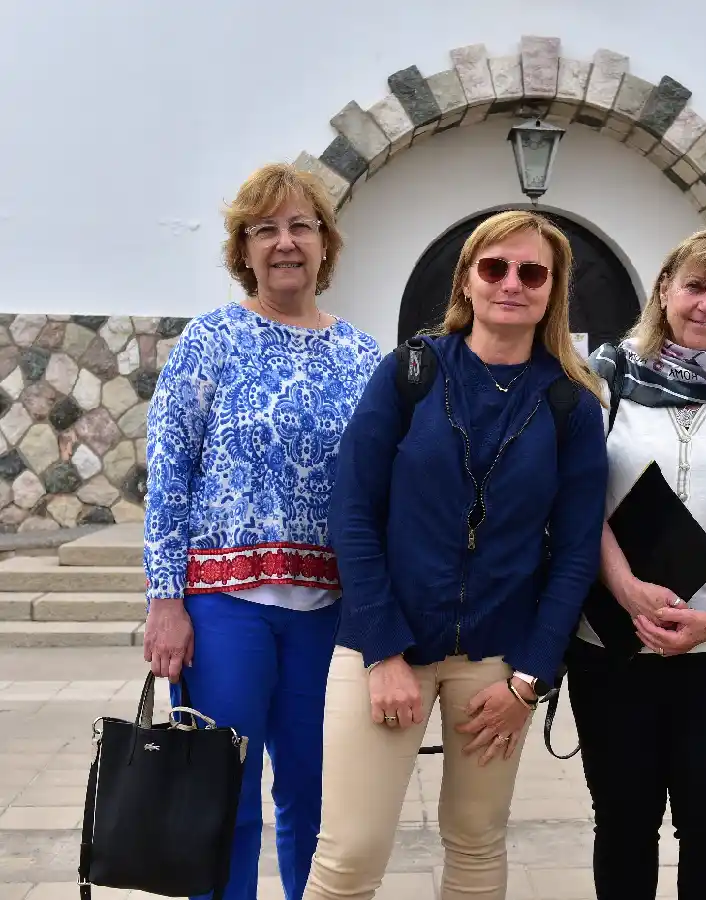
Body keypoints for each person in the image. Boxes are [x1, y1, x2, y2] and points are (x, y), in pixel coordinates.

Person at [303, 209, 608, 900]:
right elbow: (352, 513)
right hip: (385, 648)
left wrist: (528, 681)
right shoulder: (409, 372)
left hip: (497, 664)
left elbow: (574, 554)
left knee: (475, 844)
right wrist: (382, 652)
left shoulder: (571, 404)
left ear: (551, 290)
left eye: (532, 272)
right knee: (349, 854)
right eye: (494, 267)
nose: (511, 284)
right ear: (467, 279)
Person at [142, 163, 382, 900]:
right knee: (225, 799)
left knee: (319, 802)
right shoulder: (210, 341)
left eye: (300, 226)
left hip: (330, 618)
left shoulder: (363, 356)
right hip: (224, 610)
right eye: (265, 229)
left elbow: (381, 487)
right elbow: (168, 468)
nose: (285, 242)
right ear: (243, 249)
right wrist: (165, 598)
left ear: (325, 245)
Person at [568, 228, 706, 900]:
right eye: (694, 286)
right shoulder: (603, 381)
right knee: (623, 820)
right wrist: (625, 587)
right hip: (614, 644)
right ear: (664, 292)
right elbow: (579, 501)